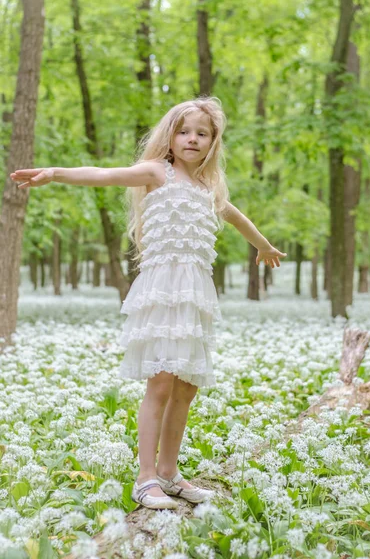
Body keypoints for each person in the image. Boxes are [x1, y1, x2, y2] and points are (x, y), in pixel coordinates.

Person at [10, 96, 287, 510]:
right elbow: (106, 174)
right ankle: (145, 478)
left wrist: (263, 246)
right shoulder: (158, 172)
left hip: (195, 293)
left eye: (202, 133)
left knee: (187, 387)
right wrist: (55, 174)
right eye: (184, 131)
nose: (192, 139)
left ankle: (171, 473)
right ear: (170, 137)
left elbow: (237, 217)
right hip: (162, 289)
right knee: (159, 383)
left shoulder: (209, 188)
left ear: (213, 142)